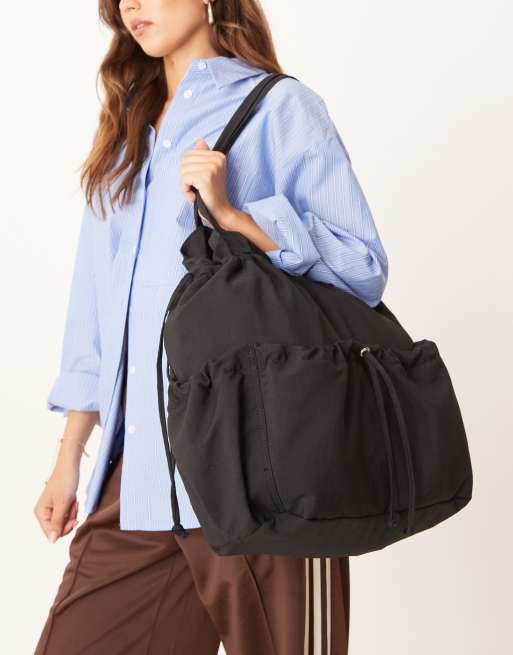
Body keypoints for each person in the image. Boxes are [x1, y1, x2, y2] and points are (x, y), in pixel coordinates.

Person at [33, 1, 388, 653]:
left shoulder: (279, 108)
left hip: (264, 471)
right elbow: (94, 312)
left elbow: (362, 268)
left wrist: (236, 217)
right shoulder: (126, 133)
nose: (131, 4)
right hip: (141, 478)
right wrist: (68, 460)